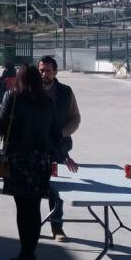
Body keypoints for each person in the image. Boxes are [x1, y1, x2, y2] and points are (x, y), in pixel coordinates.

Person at [0, 64, 75, 260]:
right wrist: (65, 156)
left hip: (18, 160)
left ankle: (25, 253)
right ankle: (29, 254)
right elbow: (57, 133)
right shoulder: (47, 102)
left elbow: (0, 123)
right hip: (41, 162)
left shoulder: (12, 97)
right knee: (35, 209)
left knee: (22, 210)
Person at [38, 56, 81, 241]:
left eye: (47, 70)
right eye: (41, 69)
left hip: (58, 148)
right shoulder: (31, 91)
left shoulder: (65, 92)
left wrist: (60, 133)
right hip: (35, 148)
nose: (43, 73)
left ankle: (57, 227)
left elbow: (75, 118)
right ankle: (32, 228)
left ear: (55, 71)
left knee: (56, 190)